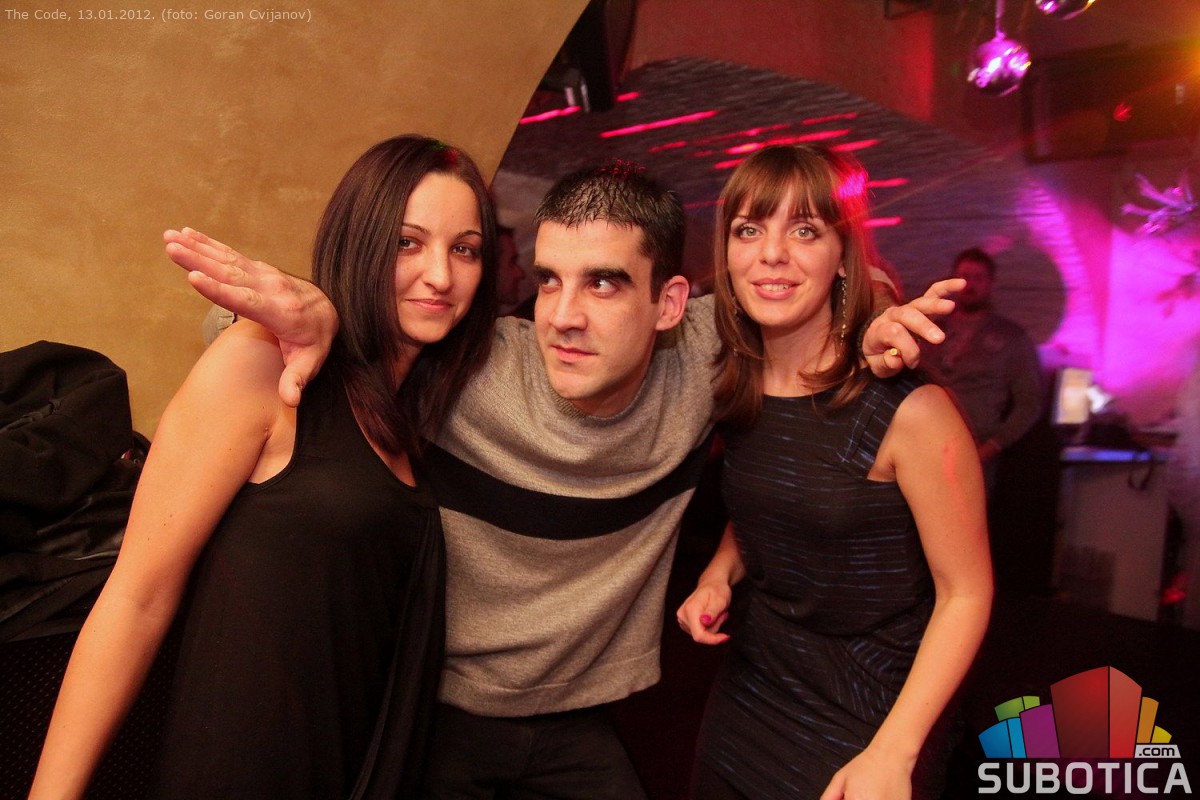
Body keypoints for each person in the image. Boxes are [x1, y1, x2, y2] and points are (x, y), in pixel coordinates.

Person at [162, 161, 960, 799]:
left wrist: (872, 322)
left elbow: (804, 282)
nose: (564, 316)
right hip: (440, 712)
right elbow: (277, 341)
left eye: (604, 282)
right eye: (549, 280)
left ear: (670, 304)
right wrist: (315, 313)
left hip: (582, 719)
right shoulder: (464, 366)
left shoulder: (705, 357)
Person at [28, 134, 499, 799]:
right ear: (359, 242)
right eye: (407, 243)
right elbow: (137, 597)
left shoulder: (416, 414)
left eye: (466, 249)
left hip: (354, 768)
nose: (441, 276)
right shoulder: (261, 362)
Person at [676, 145, 993, 800]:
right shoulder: (739, 385)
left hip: (870, 712)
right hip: (749, 695)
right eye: (749, 230)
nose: (771, 254)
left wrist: (895, 752)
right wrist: (718, 574)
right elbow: (772, 504)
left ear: (843, 256)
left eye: (804, 230)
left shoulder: (912, 412)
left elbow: (965, 593)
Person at [919, 247, 1043, 484]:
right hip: (924, 443)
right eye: (964, 276)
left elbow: (1029, 404)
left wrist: (990, 448)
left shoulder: (1011, 338)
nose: (970, 284)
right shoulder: (931, 329)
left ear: (991, 283)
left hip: (975, 447)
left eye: (978, 277)